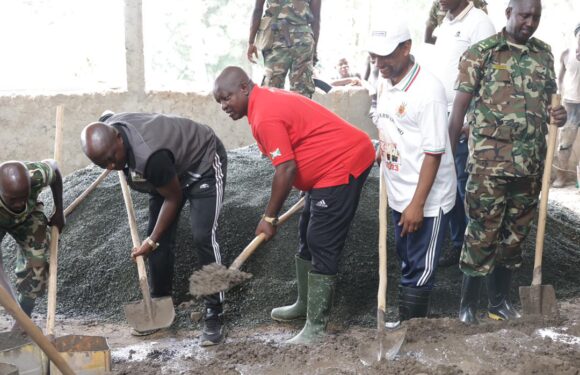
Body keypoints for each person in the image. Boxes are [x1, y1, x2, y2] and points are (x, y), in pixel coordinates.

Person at [213, 66, 374, 344]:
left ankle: (316, 327)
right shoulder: (261, 102)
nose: (224, 106)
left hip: (343, 163)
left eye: (227, 98)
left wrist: (270, 217)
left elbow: (285, 169)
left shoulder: (264, 115)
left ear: (244, 87)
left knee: (320, 239)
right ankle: (303, 304)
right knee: (306, 234)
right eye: (220, 102)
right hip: (324, 171)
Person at [448, 0, 568, 325]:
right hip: (488, 168)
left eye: (536, 17)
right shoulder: (482, 52)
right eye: (525, 15)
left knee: (515, 238)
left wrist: (560, 114)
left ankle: (498, 303)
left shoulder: (543, 53)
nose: (530, 22)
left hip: (530, 167)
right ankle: (467, 306)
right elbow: (458, 110)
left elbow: (550, 104)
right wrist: (449, 160)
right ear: (509, 13)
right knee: (482, 234)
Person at [80, 112, 227, 346]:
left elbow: (174, 197)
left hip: (202, 163)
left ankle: (214, 311)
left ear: (119, 138)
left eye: (111, 158)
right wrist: (154, 239)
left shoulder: (150, 156)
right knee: (157, 239)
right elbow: (106, 115)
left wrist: (151, 240)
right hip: (167, 173)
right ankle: (160, 301)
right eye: (102, 164)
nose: (110, 166)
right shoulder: (110, 132)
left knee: (202, 235)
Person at [368, 19, 457, 321]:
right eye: (374, 56)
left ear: (406, 48)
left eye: (386, 55)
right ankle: (406, 325)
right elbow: (390, 123)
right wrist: (384, 147)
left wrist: (417, 205)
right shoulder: (383, 82)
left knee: (420, 267)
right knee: (406, 258)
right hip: (397, 190)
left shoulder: (428, 91)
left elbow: (433, 153)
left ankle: (411, 330)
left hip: (426, 200)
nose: (379, 62)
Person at [431, 0, 495, 267]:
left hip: (464, 119)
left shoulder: (479, 22)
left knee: (465, 186)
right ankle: (458, 245)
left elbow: (490, 77)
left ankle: (475, 250)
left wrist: (472, 119)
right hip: (439, 115)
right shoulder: (445, 23)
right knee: (447, 182)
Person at [0, 160, 64, 323]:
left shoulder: (36, 175)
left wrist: (58, 211)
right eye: (13, 199)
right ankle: (16, 312)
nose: (20, 203)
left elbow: (55, 169)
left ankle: (24, 317)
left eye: (24, 196)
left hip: (29, 216)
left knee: (37, 267)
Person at [247, 0, 321, 98]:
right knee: (302, 91)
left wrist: (251, 42)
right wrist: (314, 51)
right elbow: (316, 19)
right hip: (303, 40)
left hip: (277, 38)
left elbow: (258, 9)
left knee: (272, 90)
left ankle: (274, 113)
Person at [553, 23, 580, 188]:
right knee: (564, 144)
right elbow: (559, 78)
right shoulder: (566, 53)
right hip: (570, 104)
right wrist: (560, 98)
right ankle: (561, 176)